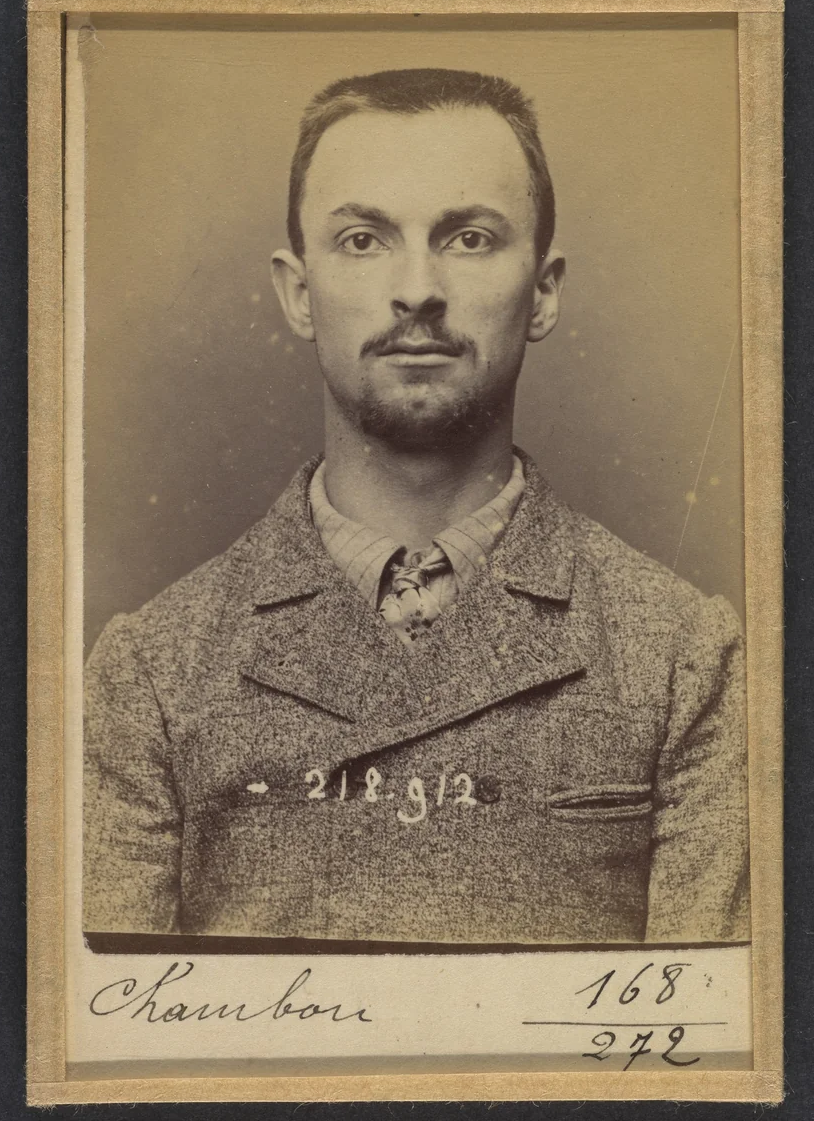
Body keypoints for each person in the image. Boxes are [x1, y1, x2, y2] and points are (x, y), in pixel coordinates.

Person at [83, 68, 749, 945]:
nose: (418, 289)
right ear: (296, 291)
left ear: (543, 291)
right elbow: (109, 1044)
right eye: (363, 239)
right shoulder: (149, 675)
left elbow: (702, 1053)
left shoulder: (688, 660)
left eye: (469, 237)